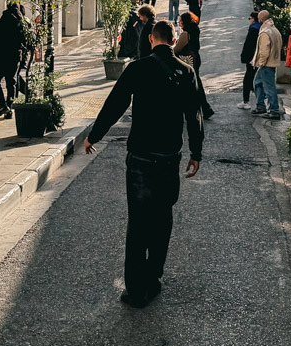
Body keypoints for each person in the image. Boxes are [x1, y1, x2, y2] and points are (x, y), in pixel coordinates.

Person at [84, 19, 204, 308]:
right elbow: (194, 115)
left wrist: (94, 135)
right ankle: (154, 278)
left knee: (138, 224)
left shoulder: (137, 68)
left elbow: (115, 103)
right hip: (168, 159)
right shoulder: (186, 72)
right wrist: (196, 153)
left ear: (152, 39)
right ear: (173, 41)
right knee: (162, 219)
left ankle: (135, 289)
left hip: (139, 158)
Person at [0, 3, 29, 119]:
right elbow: (25, 42)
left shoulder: (0, 22)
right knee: (11, 82)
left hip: (1, 55)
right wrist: (23, 57)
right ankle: (9, 107)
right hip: (15, 55)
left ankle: (2, 104)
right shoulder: (21, 24)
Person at [252, 10, 283, 119]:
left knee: (268, 87)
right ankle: (261, 105)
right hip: (271, 62)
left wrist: (260, 63)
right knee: (258, 83)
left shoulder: (265, 32)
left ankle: (273, 110)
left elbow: (264, 51)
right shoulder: (274, 30)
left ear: (261, 19)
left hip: (266, 64)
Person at [237, 12, 261, 110]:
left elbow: (248, 45)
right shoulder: (260, 28)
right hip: (256, 58)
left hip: (252, 59)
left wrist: (245, 57)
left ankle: (246, 101)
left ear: (254, 19)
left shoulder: (253, 29)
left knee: (248, 79)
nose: (249, 20)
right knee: (252, 79)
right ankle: (259, 100)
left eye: (250, 18)